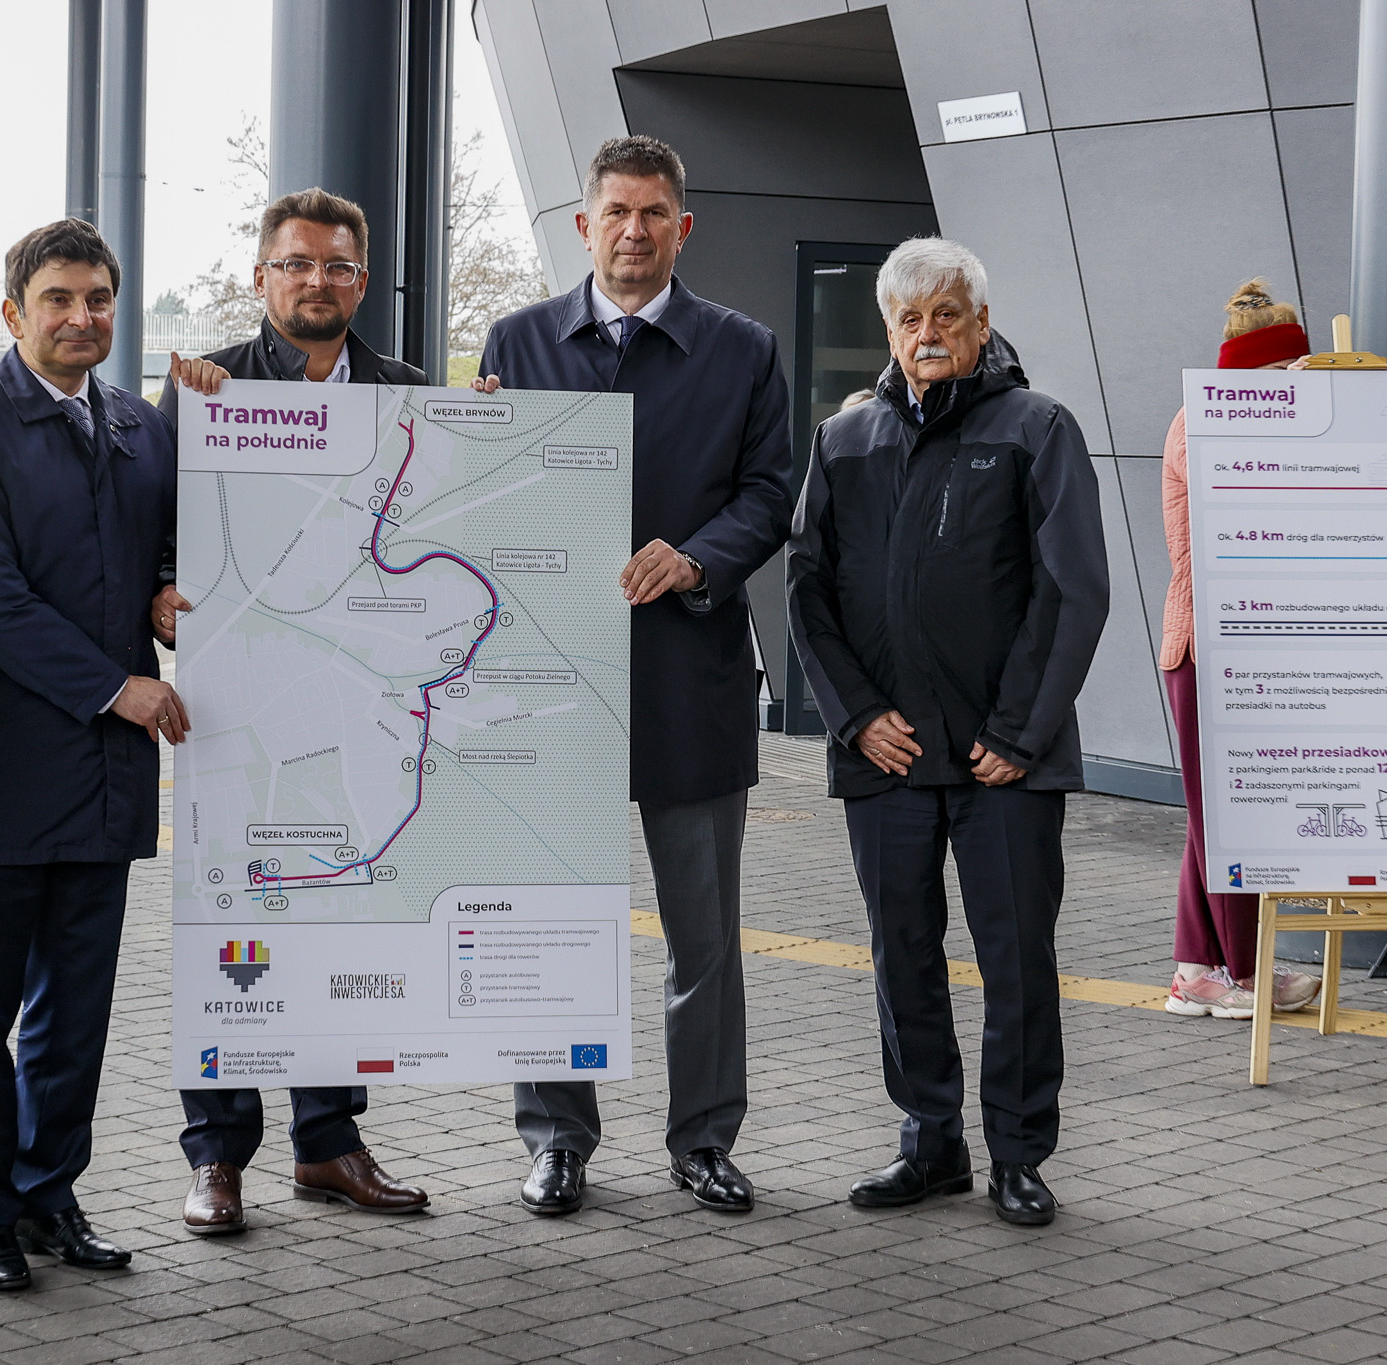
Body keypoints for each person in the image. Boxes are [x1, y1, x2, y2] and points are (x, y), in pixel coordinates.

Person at [475, 136, 794, 1216]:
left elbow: (768, 492)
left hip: (687, 677)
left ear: (681, 227)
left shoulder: (743, 351)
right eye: (614, 210)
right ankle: (557, 1138)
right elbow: (472, 495)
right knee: (544, 927)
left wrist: (695, 556)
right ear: (582, 223)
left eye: (653, 212)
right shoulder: (514, 342)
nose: (632, 230)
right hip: (545, 688)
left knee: (701, 937)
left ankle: (703, 1138)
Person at [0, 218, 216, 1289]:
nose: (82, 318)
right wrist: (119, 685)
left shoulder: (143, 428)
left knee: (72, 1016)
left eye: (98, 300)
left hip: (103, 778)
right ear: (14, 313)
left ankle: (49, 1197)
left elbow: (175, 552)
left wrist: (171, 598)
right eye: (60, 300)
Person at [786, 237, 1108, 1227]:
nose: (927, 335)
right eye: (908, 319)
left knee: (1015, 961)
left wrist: (1016, 731)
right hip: (884, 756)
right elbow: (806, 591)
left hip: (1003, 762)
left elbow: (1070, 591)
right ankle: (929, 1143)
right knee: (901, 957)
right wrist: (852, 717)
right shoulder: (844, 439)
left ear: (980, 324)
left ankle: (1018, 1152)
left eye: (946, 317)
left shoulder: (1035, 428)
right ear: (886, 329)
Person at [161, 187, 432, 1236]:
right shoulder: (203, 388)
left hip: (354, 688)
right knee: (230, 918)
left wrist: (494, 430)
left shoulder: (407, 392)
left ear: (362, 281)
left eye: (335, 267)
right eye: (295, 264)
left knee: (338, 902)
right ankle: (218, 1156)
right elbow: (160, 528)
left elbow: (437, 510)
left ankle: (328, 1145)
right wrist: (163, 586)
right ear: (260, 275)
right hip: (238, 699)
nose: (315, 282)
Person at [1161, 280, 1322, 1019]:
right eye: (1288, 376)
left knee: (1214, 810)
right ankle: (1246, 974)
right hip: (1206, 647)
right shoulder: (1203, 424)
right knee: (1228, 815)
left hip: (1245, 645)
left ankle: (1196, 970)